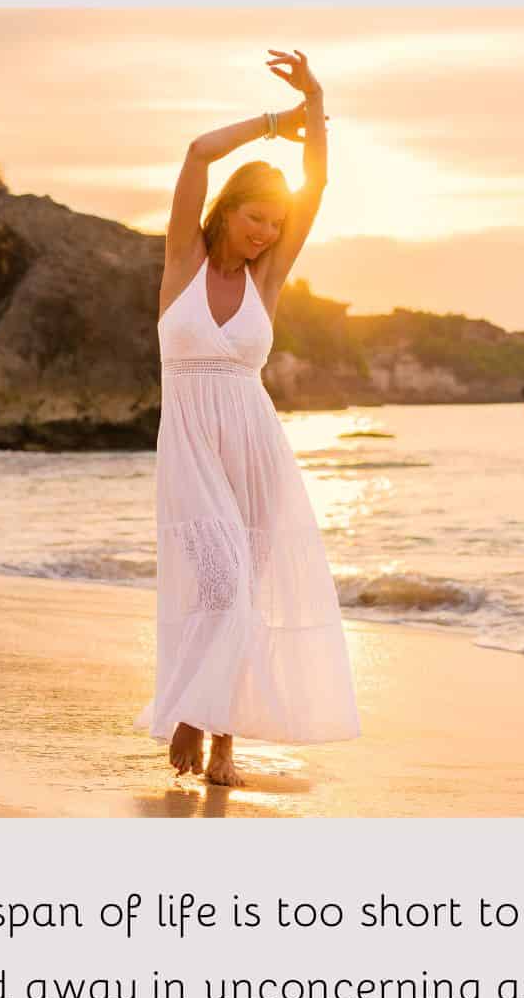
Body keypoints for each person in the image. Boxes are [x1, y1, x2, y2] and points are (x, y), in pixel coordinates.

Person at [135, 48, 360, 785]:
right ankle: (193, 713)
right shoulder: (182, 262)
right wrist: (276, 120)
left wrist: (318, 103)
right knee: (221, 585)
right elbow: (198, 151)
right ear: (227, 211)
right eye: (257, 218)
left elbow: (318, 182)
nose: (266, 233)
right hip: (193, 446)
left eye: (276, 223)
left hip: (256, 444)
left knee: (247, 591)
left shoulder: (268, 275)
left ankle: (222, 736)